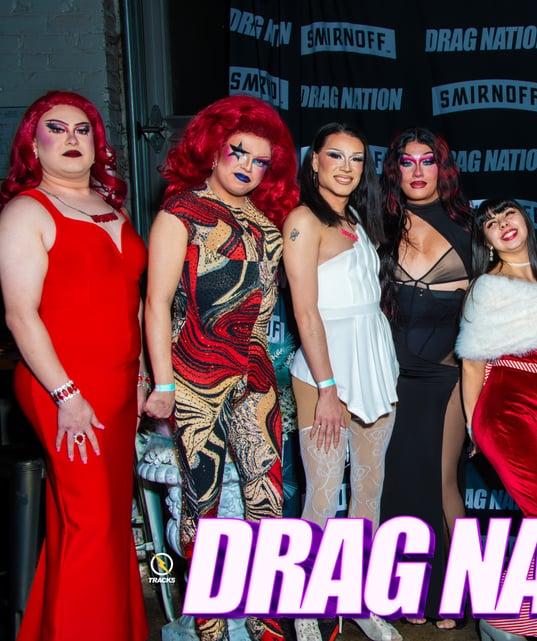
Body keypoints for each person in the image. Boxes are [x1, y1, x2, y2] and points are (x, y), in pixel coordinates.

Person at [143, 95, 298, 641]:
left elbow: (267, 310)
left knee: (267, 500)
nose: (247, 166)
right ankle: (210, 628)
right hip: (193, 373)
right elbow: (155, 303)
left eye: (260, 160)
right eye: (238, 151)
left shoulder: (267, 225)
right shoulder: (180, 212)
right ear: (212, 149)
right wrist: (162, 383)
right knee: (202, 502)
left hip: (254, 374)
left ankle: (265, 623)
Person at [0, 90, 148, 641]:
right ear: (33, 145)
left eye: (82, 130)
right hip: (61, 385)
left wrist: (140, 376)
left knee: (98, 523)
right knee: (93, 522)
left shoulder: (112, 207)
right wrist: (66, 395)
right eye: (56, 129)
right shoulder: (25, 211)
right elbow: (20, 315)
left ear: (97, 144)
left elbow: (132, 302)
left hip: (118, 383)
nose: (71, 139)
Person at [283, 123, 400, 641]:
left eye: (356, 158)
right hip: (324, 372)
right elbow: (305, 311)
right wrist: (328, 389)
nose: (347, 167)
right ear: (314, 162)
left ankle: (359, 600)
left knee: (369, 492)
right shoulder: (302, 221)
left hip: (373, 363)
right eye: (335, 156)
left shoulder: (356, 217)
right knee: (323, 497)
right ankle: (305, 609)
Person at [457, 198, 537, 641]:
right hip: (505, 410)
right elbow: (471, 362)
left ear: (525, 219)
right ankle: (519, 620)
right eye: (491, 223)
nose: (503, 224)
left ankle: (507, 618)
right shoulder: (487, 287)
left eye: (508, 214)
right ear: (487, 242)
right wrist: (474, 429)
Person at [377, 127, 472, 629]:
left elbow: (499, 307)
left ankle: (456, 594)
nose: (417, 171)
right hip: (389, 377)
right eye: (407, 161)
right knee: (397, 484)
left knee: (441, 483)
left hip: (445, 379)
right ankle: (408, 591)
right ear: (395, 170)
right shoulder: (378, 226)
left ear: (442, 168)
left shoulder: (471, 229)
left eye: (427, 160)